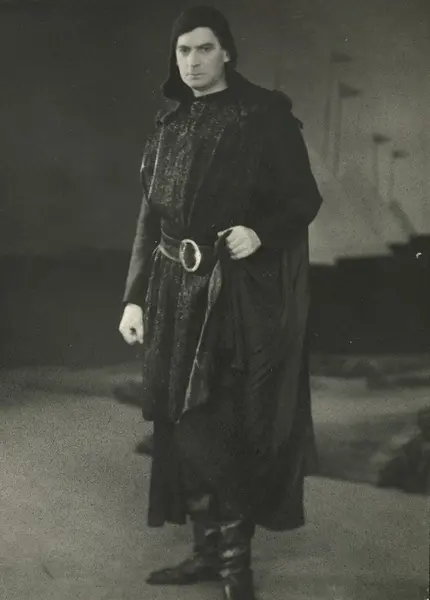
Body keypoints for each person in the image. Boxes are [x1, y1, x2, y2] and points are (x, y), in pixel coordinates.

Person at [119, 6, 322, 599]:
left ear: (227, 51)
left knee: (225, 423)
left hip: (233, 297)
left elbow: (303, 198)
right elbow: (150, 219)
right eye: (183, 51)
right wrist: (134, 299)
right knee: (181, 425)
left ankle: (237, 568)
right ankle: (206, 554)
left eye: (204, 49)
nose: (192, 62)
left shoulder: (264, 116)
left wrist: (260, 233)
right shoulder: (171, 123)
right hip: (170, 294)